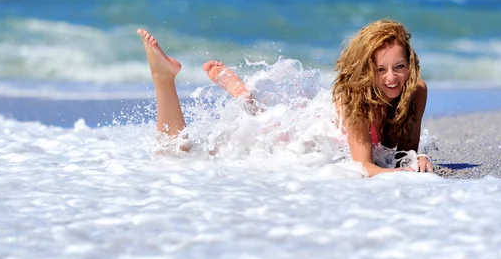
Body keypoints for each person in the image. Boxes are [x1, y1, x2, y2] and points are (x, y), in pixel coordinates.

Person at [136, 18, 433, 177]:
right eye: (380, 69)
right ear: (365, 69)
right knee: (174, 155)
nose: (391, 78)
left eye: (399, 67)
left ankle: (246, 99)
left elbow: (401, 155)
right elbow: (365, 169)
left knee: (263, 117)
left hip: (314, 132)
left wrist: (416, 161)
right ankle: (164, 78)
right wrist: (407, 176)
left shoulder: (416, 91)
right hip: (302, 141)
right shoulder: (355, 98)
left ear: (411, 62)